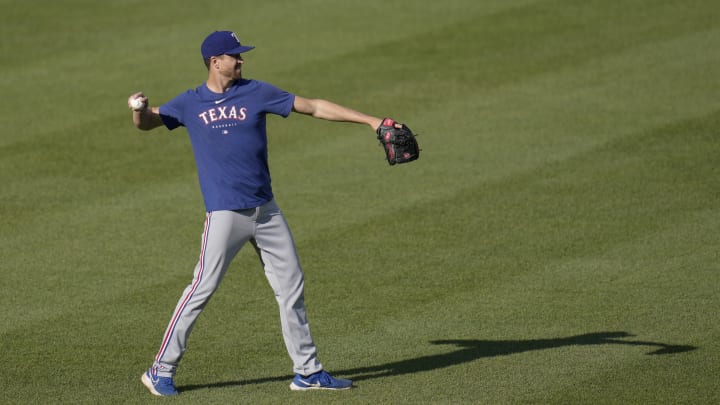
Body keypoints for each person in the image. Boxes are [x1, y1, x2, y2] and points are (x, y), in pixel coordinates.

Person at [129, 30, 385, 397]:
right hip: (225, 214)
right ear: (215, 62)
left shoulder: (256, 92)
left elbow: (312, 106)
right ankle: (160, 370)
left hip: (266, 211)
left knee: (291, 286)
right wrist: (139, 110)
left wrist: (371, 121)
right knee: (201, 288)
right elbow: (150, 122)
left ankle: (308, 372)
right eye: (235, 56)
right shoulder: (190, 103)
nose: (242, 61)